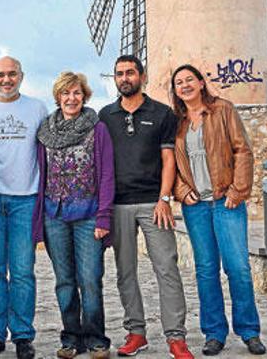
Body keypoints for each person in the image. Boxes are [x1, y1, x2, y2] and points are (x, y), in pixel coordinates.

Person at [98, 55, 194, 359]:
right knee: (125, 271)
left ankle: (176, 337)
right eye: (119, 74)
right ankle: (136, 332)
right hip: (119, 205)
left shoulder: (163, 114)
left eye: (130, 72)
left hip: (154, 203)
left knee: (167, 269)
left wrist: (165, 198)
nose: (124, 78)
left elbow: (169, 160)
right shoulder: (105, 115)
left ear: (142, 75)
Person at [170, 64, 266, 356]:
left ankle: (249, 332)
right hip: (196, 206)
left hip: (226, 202)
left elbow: (242, 150)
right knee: (206, 271)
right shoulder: (176, 122)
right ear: (175, 91)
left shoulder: (223, 109)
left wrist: (238, 191)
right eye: (178, 83)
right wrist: (181, 191)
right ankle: (214, 333)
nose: (184, 85)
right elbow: (170, 163)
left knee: (238, 268)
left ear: (201, 83)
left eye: (189, 80)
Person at [32, 71, 115, 359]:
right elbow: (41, 177)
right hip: (54, 215)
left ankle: (95, 339)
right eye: (66, 93)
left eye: (77, 93)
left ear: (85, 96)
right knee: (64, 281)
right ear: (58, 97)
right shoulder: (45, 132)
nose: (71, 98)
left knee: (90, 278)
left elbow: (106, 175)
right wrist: (39, 221)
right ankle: (71, 338)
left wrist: (104, 216)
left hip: (89, 214)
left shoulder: (98, 129)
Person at [0, 56, 48, 359]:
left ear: (21, 76)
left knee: (22, 272)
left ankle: (23, 335)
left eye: (12, 74)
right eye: (1, 75)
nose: (6, 80)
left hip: (25, 199)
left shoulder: (37, 108)